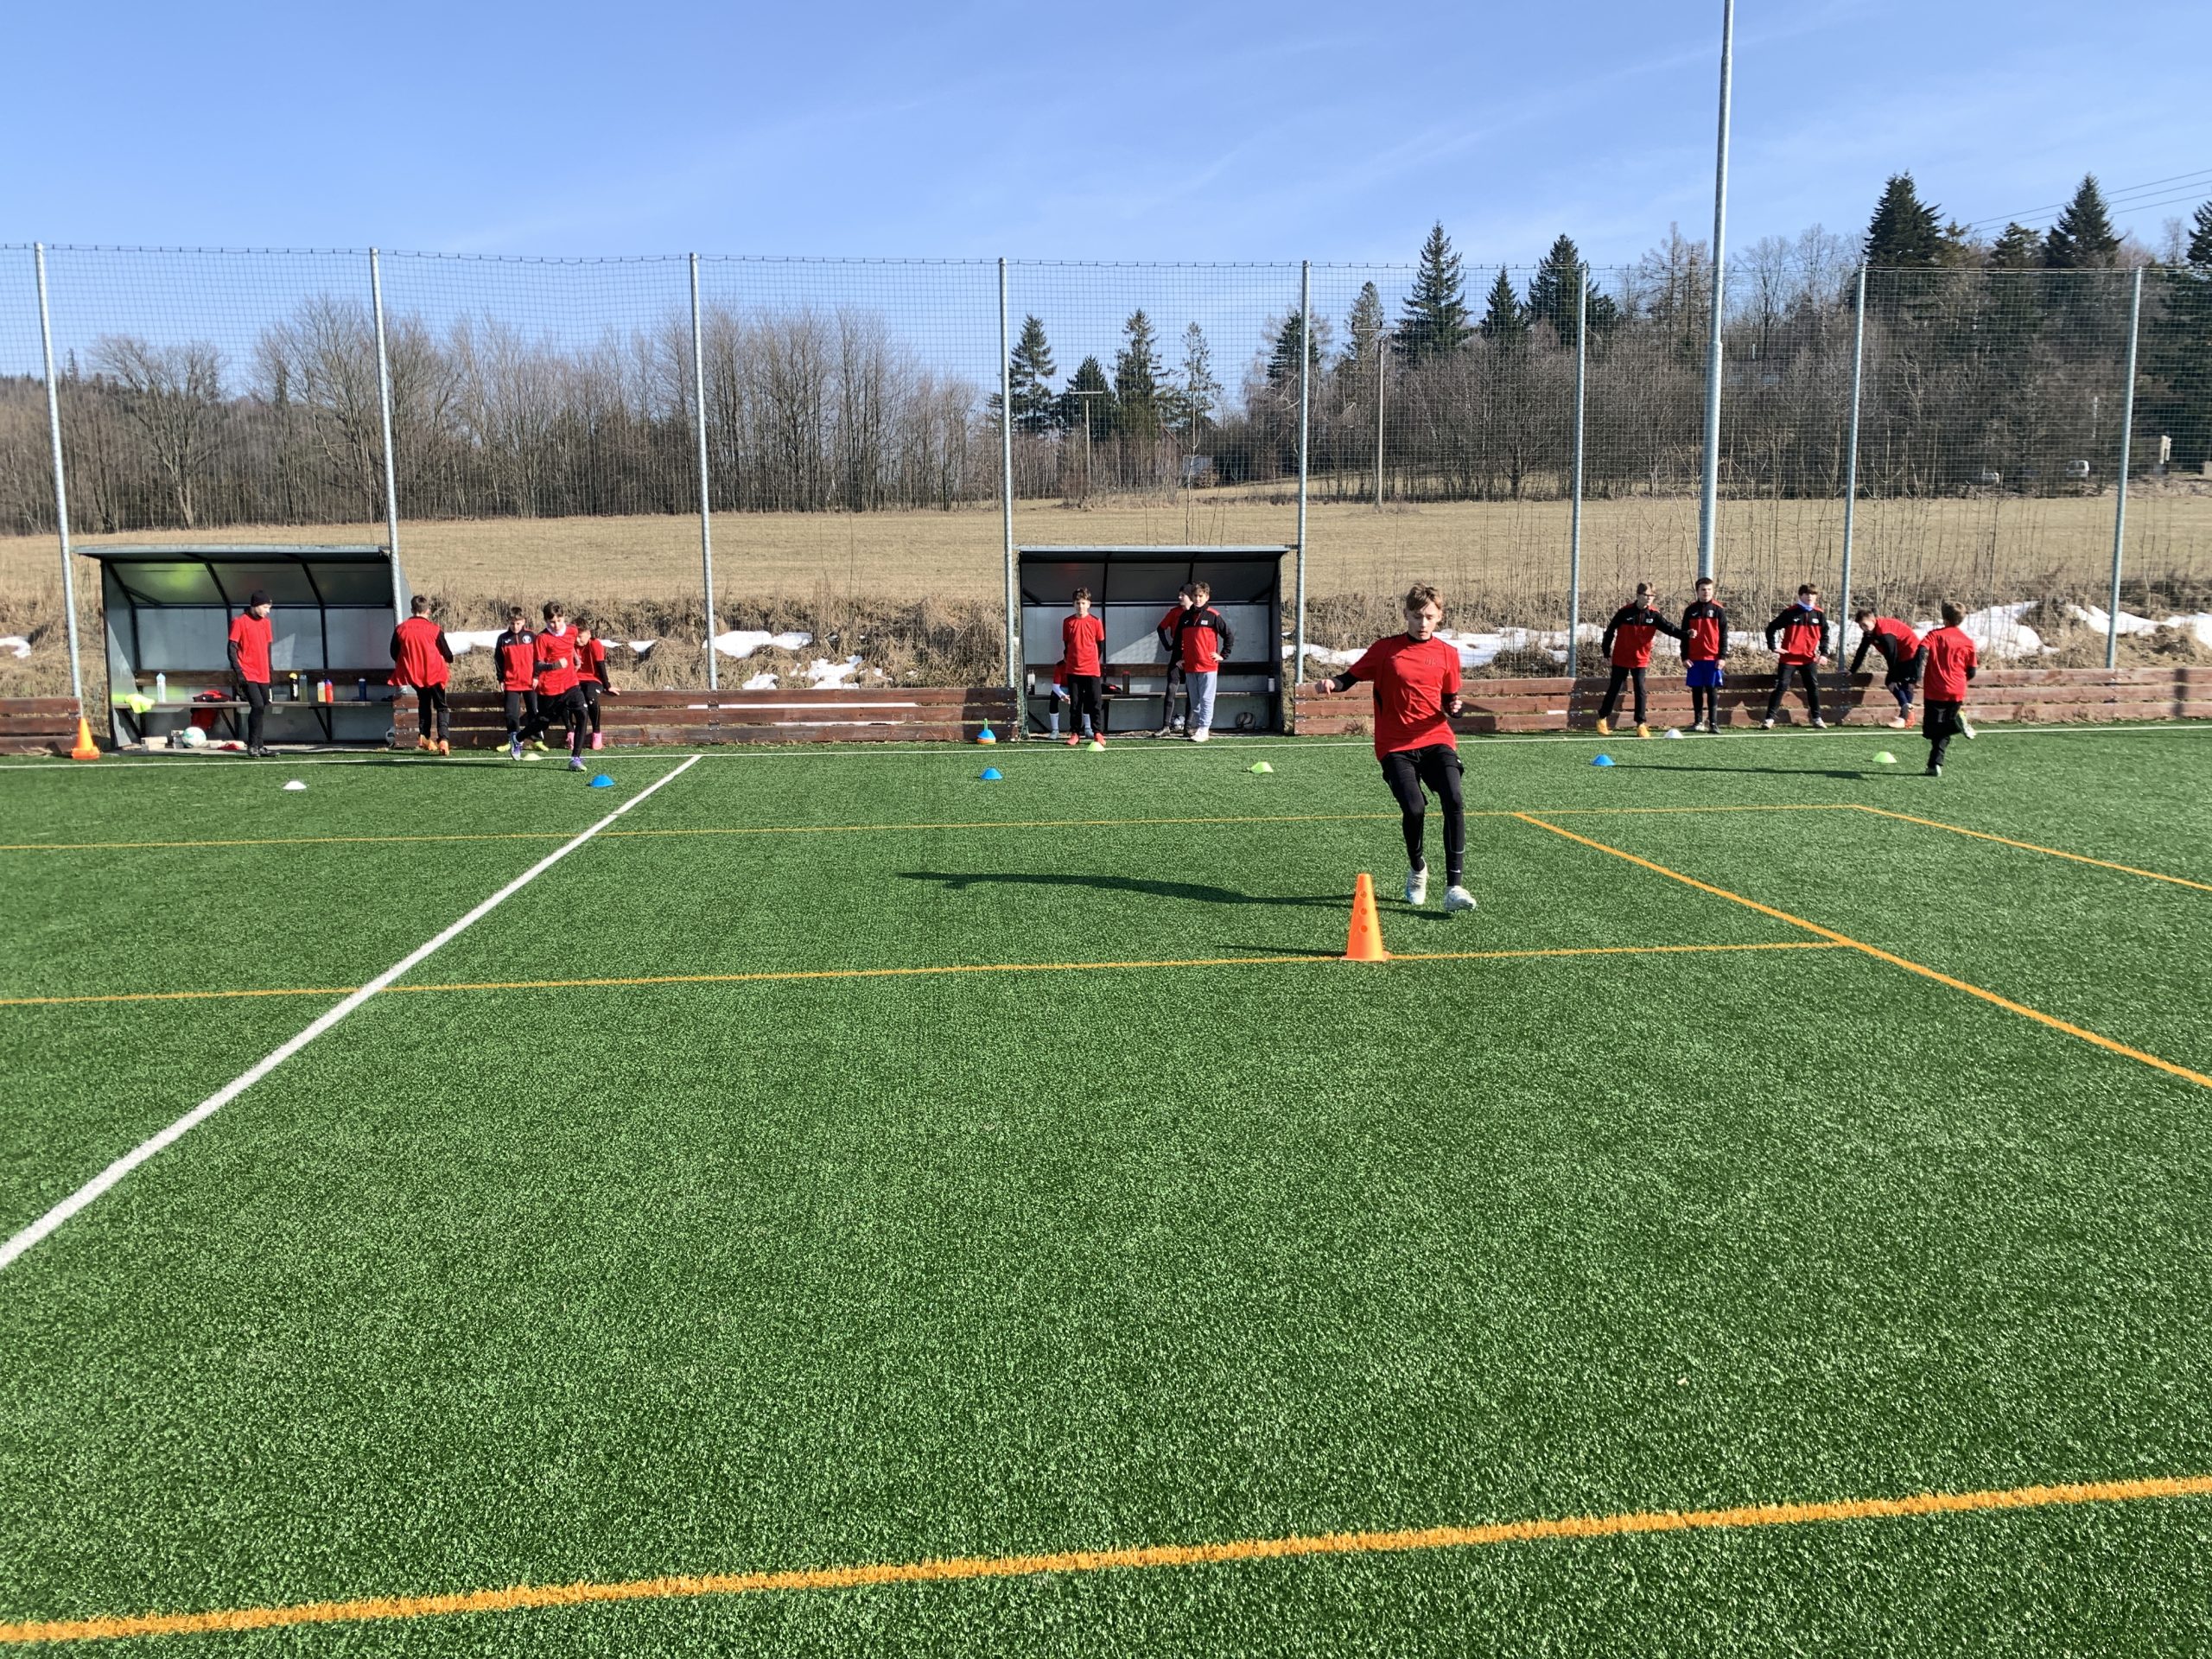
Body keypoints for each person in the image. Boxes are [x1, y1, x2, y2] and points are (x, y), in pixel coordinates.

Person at [1305, 583, 1475, 913]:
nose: (1423, 623)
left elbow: (1449, 700)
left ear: (1440, 617)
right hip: (1395, 745)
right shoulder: (1386, 650)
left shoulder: (1448, 654)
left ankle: (1454, 887)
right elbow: (1348, 678)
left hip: (1436, 738)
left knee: (1454, 798)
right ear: (1406, 614)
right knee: (1414, 808)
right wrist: (1331, 683)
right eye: (1417, 616)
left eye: (1429, 617)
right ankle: (1417, 868)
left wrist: (1455, 708)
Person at [1594, 582, 1681, 738]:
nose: (1649, 598)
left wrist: (1686, 635)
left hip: (1640, 659)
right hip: (1621, 658)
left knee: (1640, 689)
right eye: (1646, 595)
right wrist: (1606, 653)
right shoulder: (1624, 612)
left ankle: (1640, 724)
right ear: (1638, 595)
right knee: (1615, 688)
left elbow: (1670, 629)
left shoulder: (1654, 615)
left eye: (1652, 596)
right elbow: (1610, 631)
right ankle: (1602, 718)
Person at [1912, 601, 1979, 777]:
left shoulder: (1935, 635)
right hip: (1957, 690)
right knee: (1943, 730)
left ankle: (1956, 726)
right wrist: (1960, 681)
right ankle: (1934, 765)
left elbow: (1921, 650)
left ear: (1944, 618)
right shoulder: (1967, 641)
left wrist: (1916, 674)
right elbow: (1972, 671)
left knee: (1930, 730)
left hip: (1935, 690)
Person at [390, 594, 454, 757]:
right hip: (435, 673)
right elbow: (447, 653)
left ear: (412, 610)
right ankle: (443, 739)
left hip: (415, 674)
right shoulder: (434, 629)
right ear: (428, 611)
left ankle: (424, 736)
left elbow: (393, 652)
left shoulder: (401, 629)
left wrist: (407, 660)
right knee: (441, 705)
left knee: (424, 702)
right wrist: (448, 659)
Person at [1761, 584, 1830, 728]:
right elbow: (1771, 627)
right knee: (1781, 686)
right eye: (1806, 594)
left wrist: (1824, 653)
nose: (1810, 597)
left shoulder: (1819, 614)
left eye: (1813, 594)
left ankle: (1817, 718)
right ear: (1800, 596)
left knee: (1813, 687)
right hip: (1789, 658)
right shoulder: (1790, 612)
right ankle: (1769, 719)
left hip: (1808, 659)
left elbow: (1825, 636)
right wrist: (1773, 646)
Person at [533, 601, 592, 771]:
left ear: (564, 618)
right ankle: (518, 737)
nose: (556, 625)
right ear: (546, 621)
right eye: (552, 622)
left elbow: (571, 643)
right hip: (551, 686)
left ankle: (575, 758)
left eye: (559, 620)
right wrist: (554, 666)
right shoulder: (542, 638)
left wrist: (576, 659)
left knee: (582, 714)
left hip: (571, 683)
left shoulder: (572, 630)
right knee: (543, 722)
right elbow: (537, 664)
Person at [1177, 581, 1235, 743]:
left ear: (1207, 597)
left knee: (1206, 699)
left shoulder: (1213, 615)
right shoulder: (1185, 617)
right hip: (1190, 666)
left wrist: (1223, 655)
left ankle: (1204, 729)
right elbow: (1180, 639)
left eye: (1201, 596)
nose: (1197, 599)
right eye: (1195, 596)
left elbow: (1229, 636)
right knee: (1194, 700)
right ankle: (1200, 728)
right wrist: (1181, 658)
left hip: (1208, 666)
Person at [1850, 609, 1923, 729]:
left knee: (1899, 683)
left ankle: (1906, 717)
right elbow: (1862, 650)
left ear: (1873, 621)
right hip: (1901, 655)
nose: (1863, 628)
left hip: (1911, 653)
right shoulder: (1870, 633)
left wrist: (1894, 672)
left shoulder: (1884, 632)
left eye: (1865, 625)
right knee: (1895, 682)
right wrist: (1852, 670)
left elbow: (1891, 654)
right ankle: (1906, 715)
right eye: (1861, 626)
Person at [226, 588, 276, 757]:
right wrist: (239, 672)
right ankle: (253, 745)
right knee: (257, 705)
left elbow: (268, 647)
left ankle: (260, 746)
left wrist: (270, 669)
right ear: (255, 605)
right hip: (248, 672)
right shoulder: (239, 621)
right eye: (265, 607)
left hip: (263, 673)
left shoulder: (266, 623)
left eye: (269, 608)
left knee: (262, 707)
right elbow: (231, 649)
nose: (267, 611)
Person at [1680, 577, 1729, 734]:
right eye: (1703, 589)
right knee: (1696, 690)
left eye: (1709, 589)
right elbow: (1683, 635)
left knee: (1712, 690)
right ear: (1697, 591)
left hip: (1712, 658)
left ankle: (1713, 723)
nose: (1706, 592)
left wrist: (1722, 657)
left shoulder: (1718, 610)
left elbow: (1724, 635)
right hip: (1694, 659)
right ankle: (1698, 722)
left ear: (1712, 591)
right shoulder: (1690, 610)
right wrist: (1684, 657)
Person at [1060, 588, 1108, 747]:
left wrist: (1092, 660)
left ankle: (1097, 733)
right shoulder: (1068, 622)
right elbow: (1067, 644)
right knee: (1075, 704)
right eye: (1077, 603)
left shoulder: (1096, 622)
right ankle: (1075, 733)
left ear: (1089, 604)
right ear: (1074, 604)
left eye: (1083, 603)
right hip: (1073, 670)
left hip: (1092, 669)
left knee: (1095, 702)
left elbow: (1100, 645)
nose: (1080, 606)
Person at [494, 607, 541, 760]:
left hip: (530, 682)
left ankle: (537, 739)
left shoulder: (531, 636)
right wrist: (501, 679)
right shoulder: (503, 639)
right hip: (511, 682)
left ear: (524, 622)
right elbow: (498, 660)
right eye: (512, 623)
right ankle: (515, 742)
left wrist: (536, 676)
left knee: (533, 711)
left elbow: (538, 658)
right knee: (511, 714)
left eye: (518, 623)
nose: (515, 626)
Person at [1154, 584, 1197, 736]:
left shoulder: (1197, 614)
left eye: (1182, 595)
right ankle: (1166, 726)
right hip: (1177, 655)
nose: (1179, 598)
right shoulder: (1175, 613)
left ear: (1190, 596)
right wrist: (1168, 646)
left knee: (1192, 691)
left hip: (1191, 656)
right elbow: (1161, 628)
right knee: (1171, 689)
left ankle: (1188, 727)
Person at [575, 619, 618, 752]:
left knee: (590, 697)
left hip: (593, 679)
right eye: (575, 636)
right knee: (567, 697)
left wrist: (607, 685)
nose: (577, 640)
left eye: (580, 636)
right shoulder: (570, 645)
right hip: (575, 679)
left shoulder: (595, 644)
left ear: (588, 633)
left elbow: (601, 665)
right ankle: (571, 734)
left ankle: (596, 733)